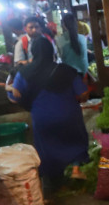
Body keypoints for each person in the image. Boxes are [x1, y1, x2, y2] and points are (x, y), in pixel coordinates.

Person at [5, 37, 90, 190]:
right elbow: (83, 93)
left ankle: (51, 183)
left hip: (43, 118)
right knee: (76, 138)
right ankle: (76, 169)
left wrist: (10, 89)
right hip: (69, 115)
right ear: (51, 51)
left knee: (46, 147)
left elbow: (14, 99)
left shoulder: (24, 73)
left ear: (33, 52)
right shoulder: (66, 70)